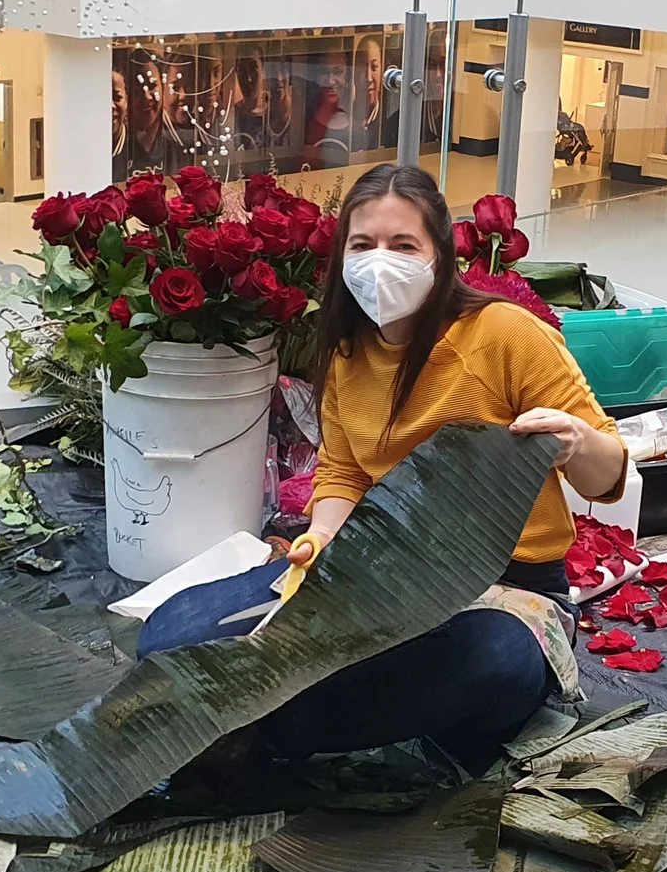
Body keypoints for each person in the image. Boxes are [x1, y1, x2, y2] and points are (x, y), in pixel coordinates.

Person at [262, 164, 626, 761]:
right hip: (386, 576)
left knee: (494, 664)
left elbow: (609, 475)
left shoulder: (505, 334)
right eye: (362, 245)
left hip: (509, 589)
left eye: (403, 245)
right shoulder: (347, 352)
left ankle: (265, 731)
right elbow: (344, 471)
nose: (380, 261)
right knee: (182, 630)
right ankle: (297, 717)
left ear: (439, 255)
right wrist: (321, 540)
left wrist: (577, 441)